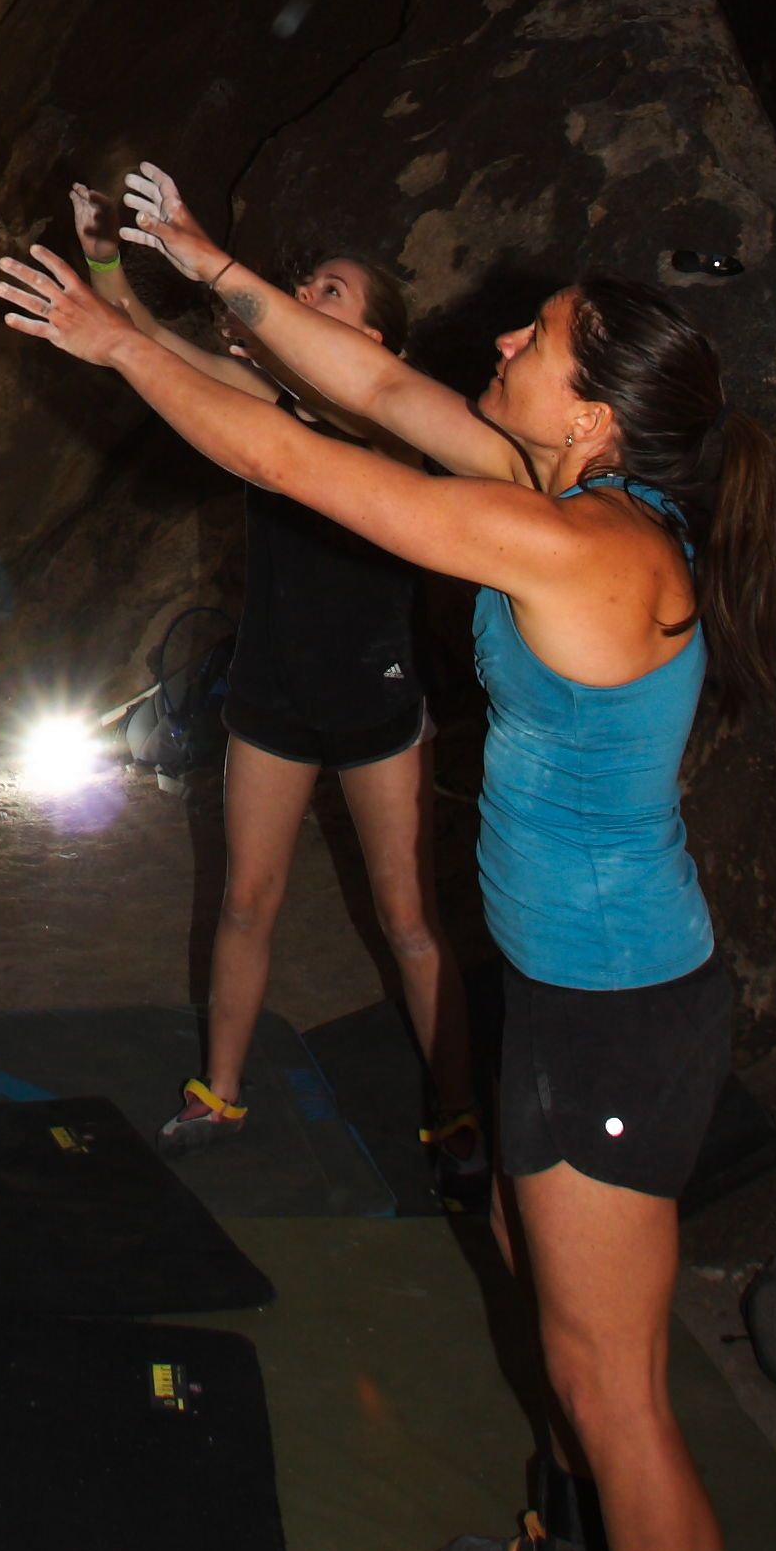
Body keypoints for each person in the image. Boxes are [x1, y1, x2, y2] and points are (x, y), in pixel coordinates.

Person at [1, 165, 776, 1551]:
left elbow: (308, 468)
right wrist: (203, 260)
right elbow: (362, 380)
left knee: (615, 1391)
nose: (500, 344)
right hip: (562, 993)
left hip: (620, 1018)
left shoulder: (586, 550)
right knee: (518, 1252)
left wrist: (122, 345)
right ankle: (569, 1550)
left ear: (597, 414)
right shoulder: (559, 484)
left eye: (535, 341)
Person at [69, 186, 481, 1196]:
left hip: (374, 701)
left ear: (373, 336)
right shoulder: (260, 405)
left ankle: (457, 1112)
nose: (300, 296)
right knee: (245, 901)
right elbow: (143, 342)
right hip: (271, 689)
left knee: (408, 920)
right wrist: (106, 261)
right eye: (304, 283)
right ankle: (218, 1090)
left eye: (326, 293)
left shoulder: (394, 429)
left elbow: (362, 397)